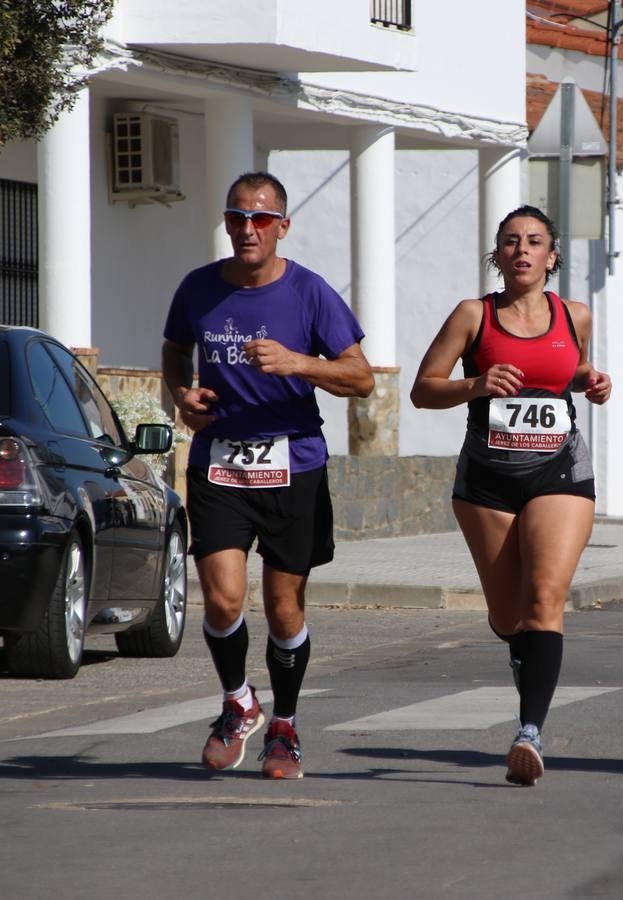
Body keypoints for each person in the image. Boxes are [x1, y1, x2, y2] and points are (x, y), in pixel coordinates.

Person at [162, 172, 375, 779]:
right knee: (224, 598)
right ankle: (237, 702)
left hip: (292, 464)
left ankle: (284, 726)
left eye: (260, 218)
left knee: (284, 608)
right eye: (238, 217)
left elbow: (361, 379)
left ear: (283, 226)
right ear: (227, 222)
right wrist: (182, 393)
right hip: (219, 461)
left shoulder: (309, 293)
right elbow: (175, 349)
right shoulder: (198, 288)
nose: (248, 228)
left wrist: (299, 363)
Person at [409, 205, 612, 786]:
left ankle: (529, 733)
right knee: (508, 615)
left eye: (534, 242)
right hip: (487, 480)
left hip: (559, 470)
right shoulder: (474, 315)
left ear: (552, 257)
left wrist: (590, 382)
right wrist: (477, 383)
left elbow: (567, 371)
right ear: (497, 255)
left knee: (547, 595)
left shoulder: (575, 315)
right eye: (510, 242)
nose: (521, 251)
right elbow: (424, 389)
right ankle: (522, 649)